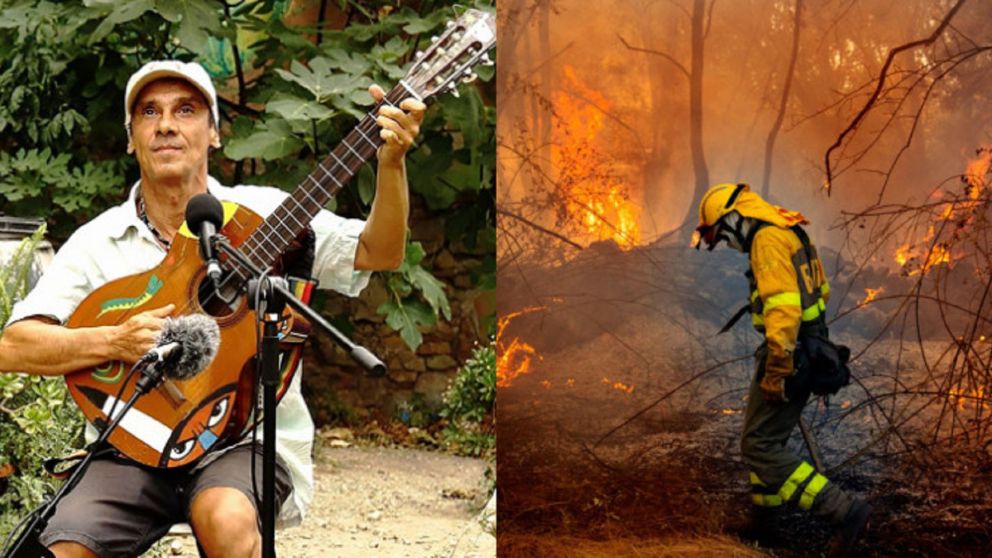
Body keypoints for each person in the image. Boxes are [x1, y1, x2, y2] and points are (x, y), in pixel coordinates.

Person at [0, 59, 424, 558]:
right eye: (149, 113)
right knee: (66, 546)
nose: (166, 125)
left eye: (186, 109)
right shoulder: (98, 242)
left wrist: (391, 163)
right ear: (132, 139)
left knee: (225, 517)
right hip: (132, 446)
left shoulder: (265, 216)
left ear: (214, 133)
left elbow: (380, 251)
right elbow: (12, 346)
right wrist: (113, 340)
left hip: (245, 441)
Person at [693, 183, 871, 557]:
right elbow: (819, 292)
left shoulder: (767, 241)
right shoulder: (789, 229)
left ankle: (843, 511)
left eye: (722, 234)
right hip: (807, 345)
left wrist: (778, 364)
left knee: (758, 445)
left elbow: (784, 307)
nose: (726, 243)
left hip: (792, 352)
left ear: (735, 217)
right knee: (762, 434)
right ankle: (765, 523)